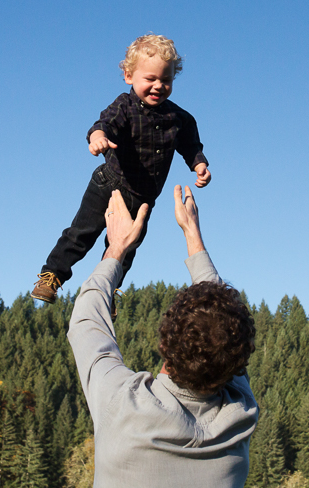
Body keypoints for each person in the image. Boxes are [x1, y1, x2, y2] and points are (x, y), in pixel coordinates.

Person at [67, 185, 258, 488]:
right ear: (236, 363)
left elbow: (87, 321)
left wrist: (116, 247)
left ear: (165, 341)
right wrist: (193, 238)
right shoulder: (240, 416)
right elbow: (224, 332)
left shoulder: (124, 405)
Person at [32, 34, 211, 304]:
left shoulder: (180, 119)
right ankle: (52, 276)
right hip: (109, 184)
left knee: (126, 250)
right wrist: (98, 138)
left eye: (166, 80)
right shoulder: (125, 107)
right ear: (129, 76)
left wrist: (199, 164)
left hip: (142, 200)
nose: (158, 86)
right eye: (150, 79)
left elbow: (190, 145)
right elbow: (103, 124)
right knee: (82, 233)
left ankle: (108, 293)